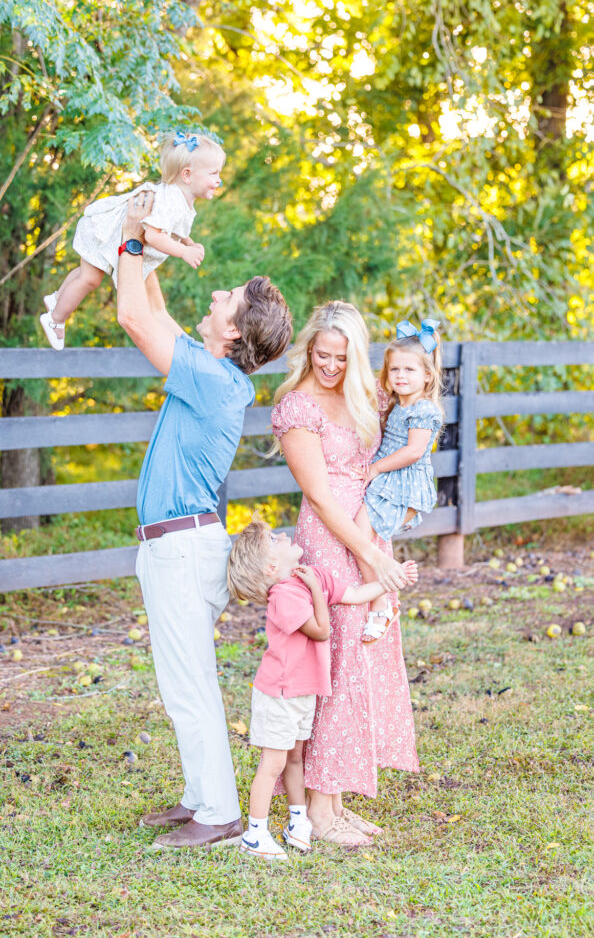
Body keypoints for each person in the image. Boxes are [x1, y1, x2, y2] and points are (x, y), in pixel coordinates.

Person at [116, 192, 292, 851]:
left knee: (188, 684)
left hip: (184, 550)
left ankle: (218, 812)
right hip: (181, 546)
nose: (216, 293)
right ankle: (200, 796)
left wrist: (131, 241)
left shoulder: (214, 380)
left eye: (228, 298)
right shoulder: (208, 368)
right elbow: (154, 307)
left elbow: (134, 316)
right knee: (181, 680)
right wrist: (153, 236)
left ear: (235, 333)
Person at [270, 301, 419, 847]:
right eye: (322, 355)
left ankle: (336, 797)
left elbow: (419, 402)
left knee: (364, 658)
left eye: (341, 357)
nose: (331, 366)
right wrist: (372, 558)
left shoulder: (366, 395)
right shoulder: (297, 407)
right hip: (330, 539)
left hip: (368, 530)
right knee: (336, 664)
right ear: (309, 349)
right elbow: (321, 497)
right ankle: (317, 808)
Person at [226, 519, 417, 861]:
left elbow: (354, 595)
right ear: (272, 567)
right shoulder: (284, 596)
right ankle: (255, 833)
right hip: (280, 694)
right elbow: (321, 631)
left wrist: (391, 581)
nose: (283, 535)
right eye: (274, 539)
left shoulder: (309, 577)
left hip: (303, 692)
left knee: (295, 759)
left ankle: (298, 822)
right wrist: (316, 590)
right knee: (272, 764)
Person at [40, 131, 224, 349]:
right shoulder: (172, 200)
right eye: (213, 173)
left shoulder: (180, 199)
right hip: (105, 232)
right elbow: (153, 235)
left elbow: (173, 227)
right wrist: (184, 252)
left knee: (85, 273)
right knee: (90, 279)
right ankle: (55, 320)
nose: (219, 180)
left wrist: (188, 243)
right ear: (187, 175)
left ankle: (57, 299)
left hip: (109, 234)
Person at [361, 319, 444, 643]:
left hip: (402, 486)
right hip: (388, 483)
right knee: (363, 539)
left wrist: (374, 469)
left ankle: (381, 604)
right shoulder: (398, 403)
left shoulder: (424, 410)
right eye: (394, 369)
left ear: (427, 375)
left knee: (360, 536)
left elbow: (413, 452)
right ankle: (382, 596)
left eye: (409, 370)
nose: (400, 376)